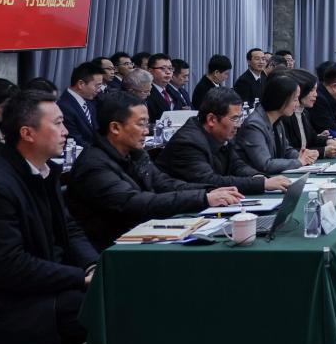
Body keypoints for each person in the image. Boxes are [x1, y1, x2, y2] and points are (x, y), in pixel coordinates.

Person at [0, 90, 98, 344]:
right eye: (58, 123)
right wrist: (79, 278)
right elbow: (10, 267)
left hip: (41, 287)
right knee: (106, 306)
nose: (65, 132)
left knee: (116, 294)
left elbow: (69, 230)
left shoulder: (43, 171)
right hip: (3, 306)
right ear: (27, 133)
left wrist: (93, 266)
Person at [66, 92, 242, 248]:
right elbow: (135, 203)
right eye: (141, 124)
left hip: (141, 236)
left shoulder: (135, 153)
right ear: (115, 128)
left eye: (147, 123)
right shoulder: (94, 166)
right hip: (110, 250)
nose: (146, 131)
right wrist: (203, 198)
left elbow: (164, 183)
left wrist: (209, 192)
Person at [157, 87, 290, 195]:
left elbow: (237, 165)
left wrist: (259, 178)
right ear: (212, 120)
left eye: (240, 118)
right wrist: (262, 184)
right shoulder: (188, 143)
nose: (238, 125)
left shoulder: (221, 134)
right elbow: (210, 181)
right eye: (234, 119)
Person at [234, 74, 317, 174]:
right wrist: (299, 162)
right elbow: (265, 164)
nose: (298, 104)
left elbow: (286, 150)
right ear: (281, 99)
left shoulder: (277, 121)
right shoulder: (254, 125)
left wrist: (302, 156)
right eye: (295, 99)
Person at [280, 69, 336, 158]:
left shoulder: (304, 112)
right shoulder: (285, 116)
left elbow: (312, 139)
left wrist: (328, 141)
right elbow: (288, 152)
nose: (316, 95)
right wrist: (323, 151)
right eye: (312, 90)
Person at [58, 61, 105, 146]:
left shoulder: (89, 100)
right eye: (97, 86)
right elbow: (76, 141)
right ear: (81, 84)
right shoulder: (64, 107)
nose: (99, 90)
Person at [144, 53, 181, 122]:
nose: (168, 72)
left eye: (170, 68)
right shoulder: (145, 92)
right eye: (162, 68)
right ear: (150, 71)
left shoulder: (175, 92)